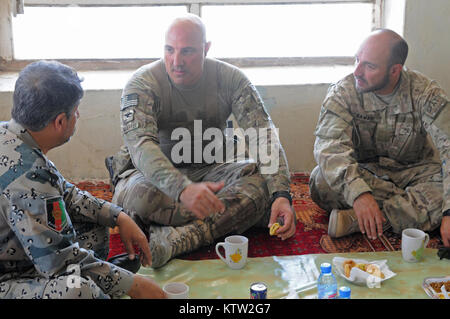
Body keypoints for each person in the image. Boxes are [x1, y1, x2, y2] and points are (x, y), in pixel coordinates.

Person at [106, 14, 296, 268]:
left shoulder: (231, 80)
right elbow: (141, 148)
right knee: (140, 199)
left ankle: (175, 238)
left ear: (206, 49)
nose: (176, 62)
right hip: (153, 179)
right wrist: (182, 189)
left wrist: (281, 194)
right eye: (169, 50)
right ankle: (236, 217)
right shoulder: (143, 83)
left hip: (212, 171)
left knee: (262, 183)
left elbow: (263, 135)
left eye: (187, 52)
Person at [0, 60, 166, 299]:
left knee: (94, 222)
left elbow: (63, 192)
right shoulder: (28, 176)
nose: (77, 116)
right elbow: (58, 262)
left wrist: (117, 215)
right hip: (6, 279)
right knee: (78, 290)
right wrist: (133, 285)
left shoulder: (12, 137)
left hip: (14, 254)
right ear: (60, 122)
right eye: (75, 110)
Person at [309, 29, 450, 247]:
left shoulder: (425, 93)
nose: (357, 71)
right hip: (366, 172)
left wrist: (449, 210)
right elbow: (329, 147)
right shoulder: (343, 92)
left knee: (443, 194)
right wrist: (359, 194)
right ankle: (411, 210)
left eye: (369, 66)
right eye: (357, 60)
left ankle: (358, 220)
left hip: (415, 173)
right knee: (321, 181)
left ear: (395, 70)